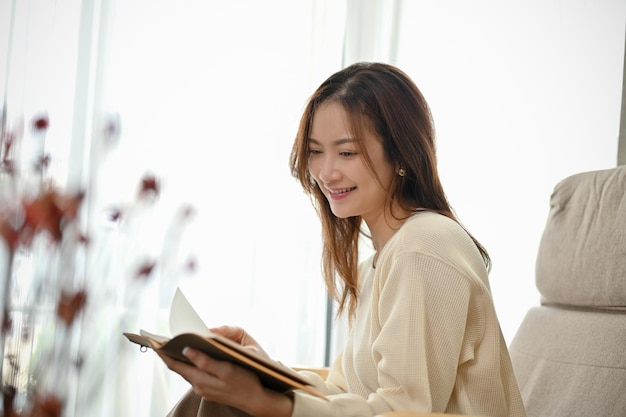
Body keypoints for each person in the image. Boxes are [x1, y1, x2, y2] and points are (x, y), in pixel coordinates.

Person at [158, 62, 527, 417]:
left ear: (401, 154)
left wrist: (268, 403)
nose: (326, 172)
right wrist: (264, 368)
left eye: (347, 152)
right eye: (316, 152)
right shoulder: (380, 261)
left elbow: (406, 411)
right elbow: (349, 394)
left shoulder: (424, 245)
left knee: (228, 403)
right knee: (222, 393)